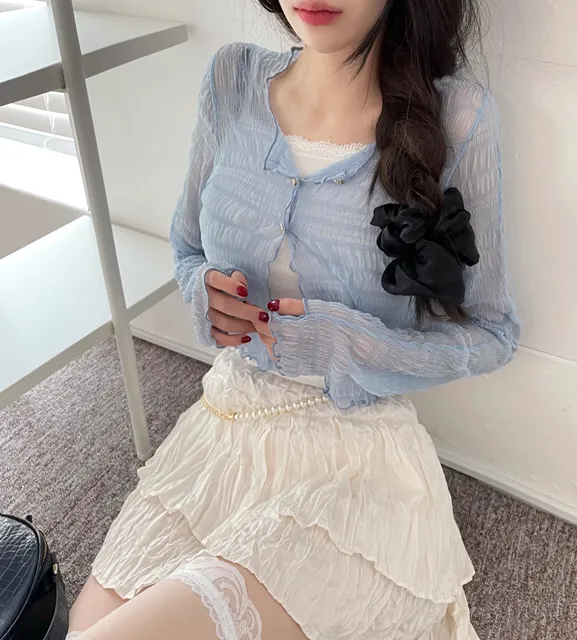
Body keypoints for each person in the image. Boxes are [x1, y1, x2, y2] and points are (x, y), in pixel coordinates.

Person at [67, 0, 519, 638]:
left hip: (356, 463)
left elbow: (494, 334)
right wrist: (203, 294)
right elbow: (188, 245)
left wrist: (349, 344)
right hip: (224, 430)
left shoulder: (458, 116)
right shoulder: (231, 77)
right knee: (87, 627)